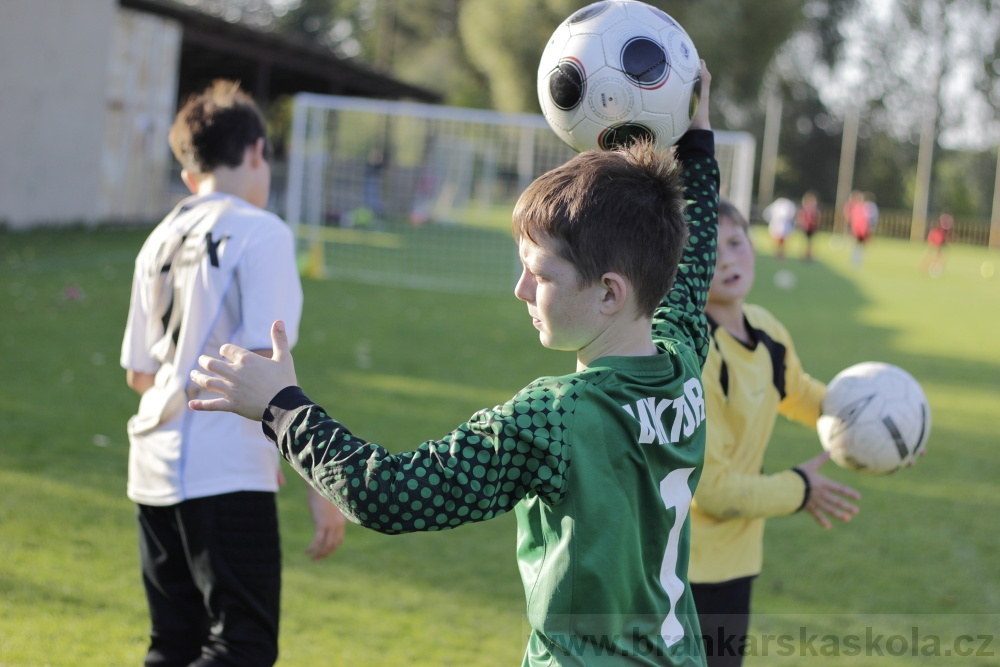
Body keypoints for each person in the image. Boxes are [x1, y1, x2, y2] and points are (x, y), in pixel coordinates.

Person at [189, 63, 719, 666]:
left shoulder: (556, 417)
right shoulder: (681, 359)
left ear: (609, 292)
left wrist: (283, 409)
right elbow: (695, 252)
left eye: (541, 274)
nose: (521, 289)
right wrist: (695, 134)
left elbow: (389, 494)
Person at [120, 80, 346, 667]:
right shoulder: (261, 231)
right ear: (255, 152)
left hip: (152, 465)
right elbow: (265, 368)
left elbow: (139, 375)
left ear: (190, 171)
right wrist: (319, 483)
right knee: (242, 645)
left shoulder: (158, 240)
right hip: (224, 466)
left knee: (173, 644)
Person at [688, 200, 862, 667]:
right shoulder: (695, 355)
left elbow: (801, 394)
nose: (727, 259)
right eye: (708, 250)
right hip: (680, 570)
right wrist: (799, 489)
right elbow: (712, 492)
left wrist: (886, 426)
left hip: (737, 562)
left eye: (735, 242)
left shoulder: (766, 330)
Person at [921, 213, 953, 277]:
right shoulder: (937, 231)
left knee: (938, 255)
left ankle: (934, 266)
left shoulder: (942, 232)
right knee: (933, 255)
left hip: (938, 244)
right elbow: (936, 240)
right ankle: (927, 267)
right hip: (935, 244)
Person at [844, 190, 870, 266]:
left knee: (858, 245)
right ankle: (855, 260)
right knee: (856, 245)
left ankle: (856, 260)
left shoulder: (863, 208)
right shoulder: (857, 207)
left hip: (860, 229)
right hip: (857, 229)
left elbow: (863, 220)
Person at [796, 191, 820, 261]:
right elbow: (800, 217)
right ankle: (804, 255)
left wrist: (816, 224)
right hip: (805, 227)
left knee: (810, 243)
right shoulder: (804, 208)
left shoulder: (814, 209)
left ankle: (809, 256)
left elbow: (817, 218)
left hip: (811, 228)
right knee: (804, 242)